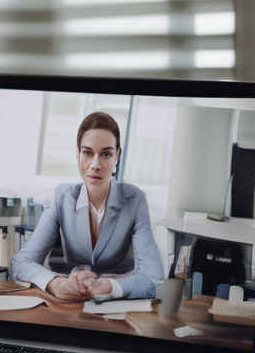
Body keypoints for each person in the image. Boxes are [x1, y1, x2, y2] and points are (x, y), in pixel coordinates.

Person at [11, 111, 163, 301]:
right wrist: (55, 283)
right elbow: (21, 262)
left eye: (106, 154)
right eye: (87, 153)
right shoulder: (62, 197)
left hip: (117, 306)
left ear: (117, 157)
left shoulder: (135, 199)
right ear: (77, 153)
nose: (95, 165)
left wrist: (111, 287)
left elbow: (152, 277)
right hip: (69, 303)